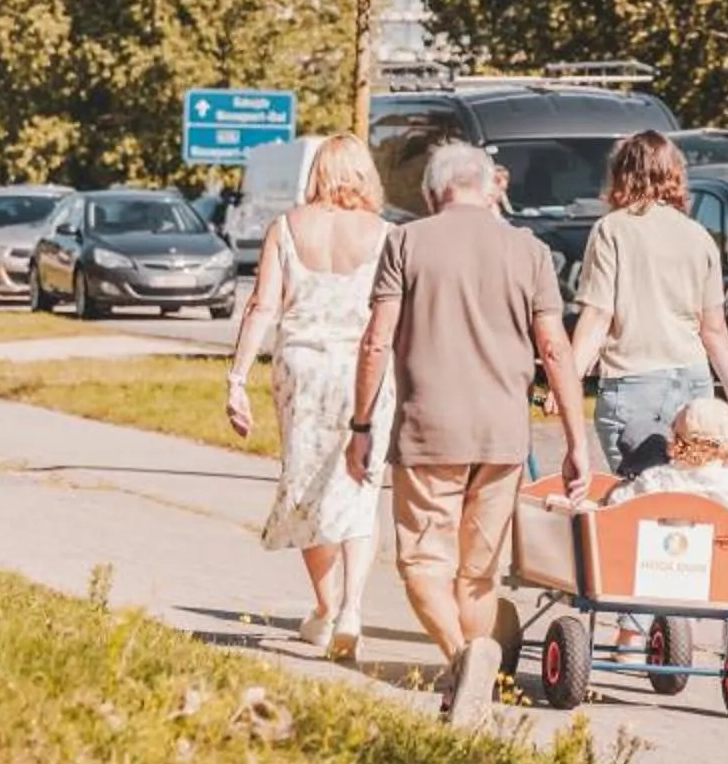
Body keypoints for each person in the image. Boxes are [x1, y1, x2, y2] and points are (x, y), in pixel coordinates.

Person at [354, 141, 589, 727]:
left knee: (422, 562)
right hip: (503, 436)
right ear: (490, 188)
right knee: (479, 572)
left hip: (428, 431)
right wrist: (576, 441)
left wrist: (360, 424)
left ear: (432, 192)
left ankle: (465, 659)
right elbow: (555, 349)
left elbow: (377, 340)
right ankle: (472, 694)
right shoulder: (529, 250)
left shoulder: (406, 242)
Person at [225, 136, 395, 662]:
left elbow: (261, 307)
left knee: (308, 485)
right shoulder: (386, 235)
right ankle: (352, 609)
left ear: (317, 172)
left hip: (301, 371)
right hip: (363, 369)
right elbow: (396, 317)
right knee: (361, 487)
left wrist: (237, 378)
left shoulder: (286, 228)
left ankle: (324, 608)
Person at [569, 131, 728, 476]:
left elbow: (597, 317)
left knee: (641, 494)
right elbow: (714, 331)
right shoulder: (698, 236)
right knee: (692, 488)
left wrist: (563, 383)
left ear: (620, 174)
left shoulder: (612, 230)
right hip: (694, 381)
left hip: (634, 381)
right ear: (676, 175)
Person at [607, 396, 728, 519]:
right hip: (718, 549)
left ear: (675, 439)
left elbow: (616, 503)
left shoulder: (657, 479)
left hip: (659, 549)